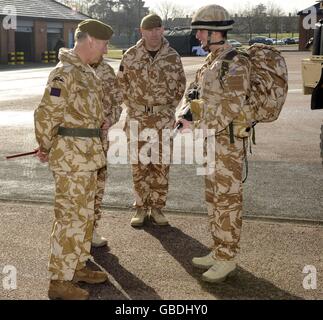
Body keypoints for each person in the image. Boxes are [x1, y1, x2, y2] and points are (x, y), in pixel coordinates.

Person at [34, 19, 114, 300]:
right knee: (69, 217)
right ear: (90, 40)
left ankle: (76, 265)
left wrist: (99, 121)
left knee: (84, 215)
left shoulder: (86, 72)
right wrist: (45, 145)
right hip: (71, 159)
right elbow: (46, 114)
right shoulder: (64, 72)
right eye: (103, 44)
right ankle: (59, 280)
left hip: (87, 156)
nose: (105, 50)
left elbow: (77, 111)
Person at [177, 4, 251, 283]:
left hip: (228, 145)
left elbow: (229, 108)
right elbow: (194, 94)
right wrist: (185, 113)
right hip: (211, 142)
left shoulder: (236, 62)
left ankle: (228, 257)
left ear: (214, 32)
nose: (197, 38)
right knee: (213, 198)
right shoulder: (212, 61)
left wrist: (194, 121)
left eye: (200, 32)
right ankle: (218, 250)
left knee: (227, 201)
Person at [117, 14, 186, 227]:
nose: (154, 33)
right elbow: (121, 85)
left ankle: (157, 208)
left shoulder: (172, 56)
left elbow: (181, 86)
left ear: (163, 30)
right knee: (139, 164)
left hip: (163, 118)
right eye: (150, 30)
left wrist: (166, 110)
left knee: (161, 164)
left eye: (158, 29)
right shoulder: (130, 55)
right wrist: (134, 107)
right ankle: (140, 207)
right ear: (142, 31)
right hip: (137, 117)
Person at [90, 57, 123, 247]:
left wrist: (110, 120)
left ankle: (91, 229)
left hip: (100, 139)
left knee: (97, 185)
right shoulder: (68, 68)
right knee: (76, 191)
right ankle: (74, 236)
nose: (105, 49)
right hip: (75, 142)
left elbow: (118, 102)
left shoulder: (106, 70)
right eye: (103, 44)